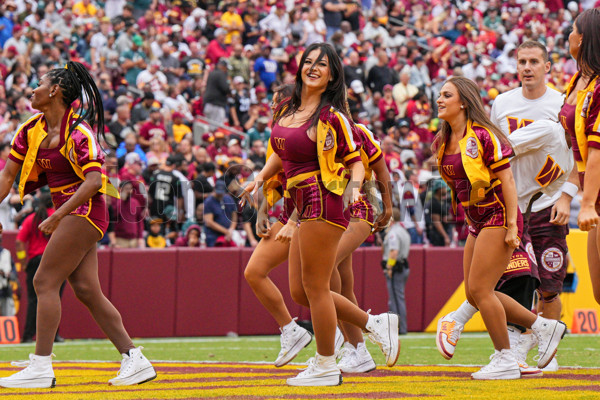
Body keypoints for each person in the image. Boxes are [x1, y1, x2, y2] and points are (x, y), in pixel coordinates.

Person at [242, 43, 399, 387]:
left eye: (322, 64)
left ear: (332, 76)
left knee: (317, 286)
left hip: (324, 201)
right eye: (308, 61)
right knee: (304, 290)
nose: (313, 67)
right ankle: (370, 327)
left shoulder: (333, 118)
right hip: (298, 202)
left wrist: (361, 190)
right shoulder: (289, 111)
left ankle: (327, 361)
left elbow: (359, 162)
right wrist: (258, 178)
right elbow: (281, 157)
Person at [0, 61, 156, 389]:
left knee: (43, 281)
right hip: (69, 212)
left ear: (55, 91)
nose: (32, 88)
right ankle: (134, 358)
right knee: (86, 290)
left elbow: (95, 180)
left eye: (39, 83)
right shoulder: (30, 129)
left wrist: (58, 215)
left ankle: (41, 366)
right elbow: (7, 176)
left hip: (84, 211)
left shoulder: (78, 130)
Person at [436, 40, 577, 373]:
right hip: (505, 203)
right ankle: (516, 346)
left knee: (549, 286)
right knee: (512, 279)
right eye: (521, 61)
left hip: (542, 201)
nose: (526, 67)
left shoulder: (559, 105)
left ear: (547, 66)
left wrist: (567, 195)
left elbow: (579, 155)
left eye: (533, 61)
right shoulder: (503, 103)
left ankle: (541, 351)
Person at [561, 9, 600, 307]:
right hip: (594, 198)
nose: (568, 35)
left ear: (583, 38)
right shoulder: (576, 81)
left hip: (595, 199)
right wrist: (566, 195)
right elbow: (576, 152)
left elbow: (597, 149)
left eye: (573, 30)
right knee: (599, 293)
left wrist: (585, 203)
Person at [16, 193, 65, 343]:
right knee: (55, 298)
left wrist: (23, 260)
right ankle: (54, 335)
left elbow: (19, 241)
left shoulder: (31, 219)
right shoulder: (58, 218)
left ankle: (28, 335)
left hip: (35, 260)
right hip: (56, 261)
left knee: (33, 300)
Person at [382, 208, 410, 334]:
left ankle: (397, 328)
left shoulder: (393, 232)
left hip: (396, 268)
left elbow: (394, 251)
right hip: (403, 265)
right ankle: (401, 327)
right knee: (399, 297)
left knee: (395, 299)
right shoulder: (403, 230)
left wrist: (389, 267)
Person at [204, 179, 237, 247]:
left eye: (221, 192)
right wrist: (226, 231)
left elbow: (234, 216)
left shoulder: (228, 199)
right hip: (213, 235)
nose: (219, 194)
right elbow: (209, 222)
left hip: (228, 234)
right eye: (218, 192)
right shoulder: (209, 201)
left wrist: (231, 230)